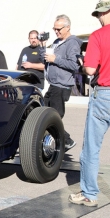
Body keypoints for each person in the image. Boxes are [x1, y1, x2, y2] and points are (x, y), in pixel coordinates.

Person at [69, 0, 110, 209]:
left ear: (103, 13)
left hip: (104, 95)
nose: (98, 19)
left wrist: (83, 64)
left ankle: (89, 194)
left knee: (91, 149)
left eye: (98, 15)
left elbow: (91, 70)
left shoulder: (98, 35)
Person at [39, 15, 82, 152]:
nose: (56, 31)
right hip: (53, 84)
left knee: (53, 118)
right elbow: (46, 59)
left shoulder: (72, 43)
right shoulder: (57, 41)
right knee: (43, 114)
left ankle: (66, 141)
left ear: (67, 27)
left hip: (62, 86)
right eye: (54, 29)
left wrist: (55, 59)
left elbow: (74, 65)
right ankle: (61, 142)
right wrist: (43, 48)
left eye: (58, 29)